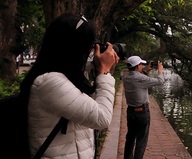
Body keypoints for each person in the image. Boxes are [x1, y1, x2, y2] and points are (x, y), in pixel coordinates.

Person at [20, 13, 119, 159]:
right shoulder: (50, 82)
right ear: (74, 49)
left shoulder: (67, 76)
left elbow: (91, 106)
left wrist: (97, 70)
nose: (92, 52)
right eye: (90, 47)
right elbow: (102, 118)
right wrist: (104, 72)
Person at [123, 56, 164, 159]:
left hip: (131, 112)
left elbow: (139, 79)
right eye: (141, 64)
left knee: (130, 138)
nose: (142, 66)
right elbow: (160, 81)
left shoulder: (125, 77)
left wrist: (147, 70)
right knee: (141, 140)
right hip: (142, 113)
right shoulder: (140, 78)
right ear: (137, 66)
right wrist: (160, 71)